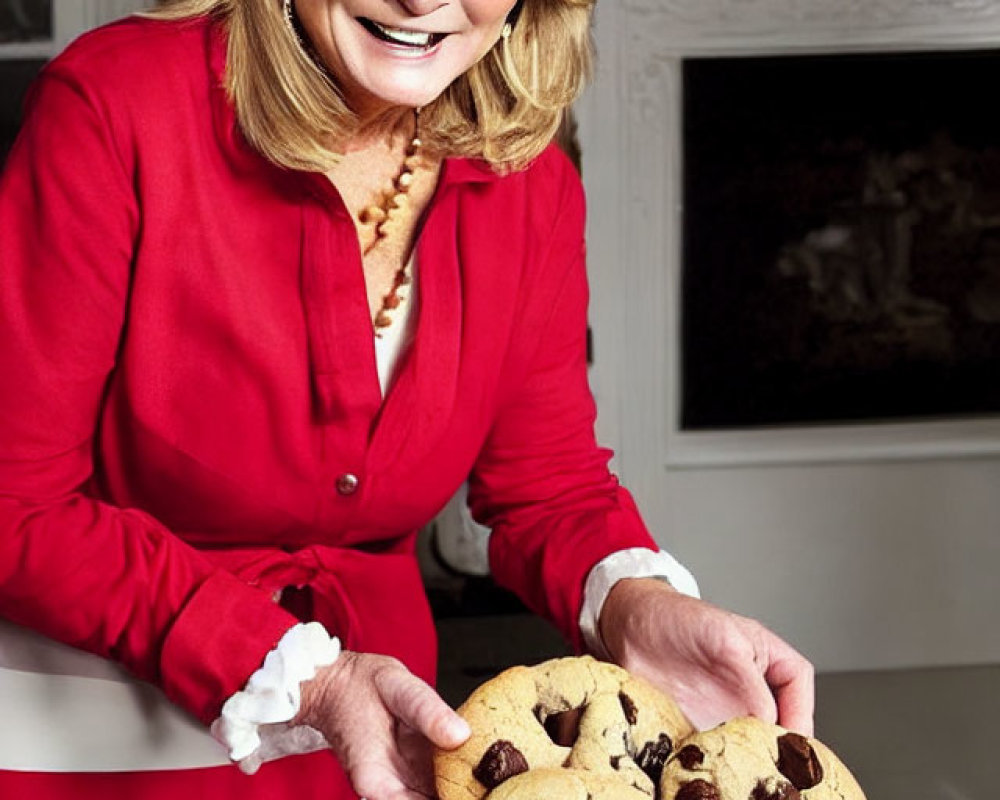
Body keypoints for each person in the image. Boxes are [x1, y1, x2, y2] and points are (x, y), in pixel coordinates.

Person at [0, 1, 814, 798]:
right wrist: (301, 674)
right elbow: (16, 501)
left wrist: (640, 604)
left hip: (378, 737)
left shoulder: (531, 181)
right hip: (75, 739)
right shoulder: (117, 103)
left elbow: (549, 488)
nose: (424, 1)